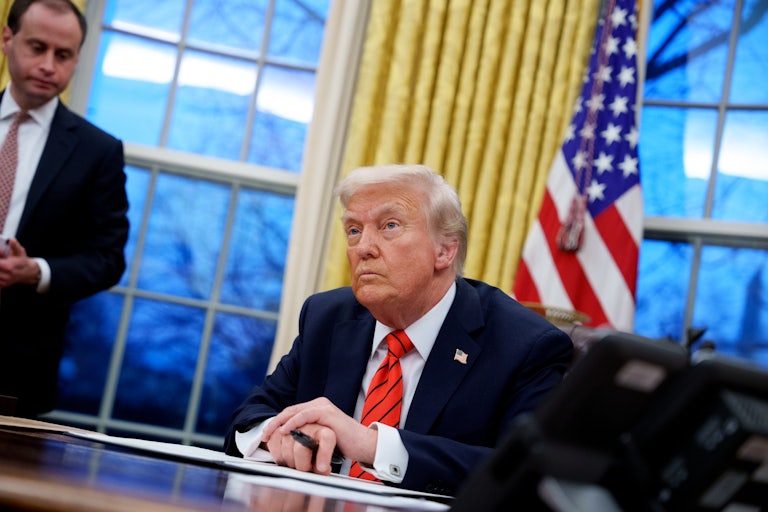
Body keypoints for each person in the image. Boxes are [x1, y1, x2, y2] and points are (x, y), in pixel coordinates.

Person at [224, 164, 573, 495]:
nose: (363, 248)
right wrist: (277, 437)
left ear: (445, 250)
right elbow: (249, 418)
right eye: (353, 230)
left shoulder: (523, 344)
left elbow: (522, 474)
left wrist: (371, 445)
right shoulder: (327, 317)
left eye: (389, 225)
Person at [0, 0, 129, 417]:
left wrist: (35, 270)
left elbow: (107, 260)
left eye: (63, 55)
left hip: (16, 367)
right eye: (37, 48)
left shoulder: (98, 152)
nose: (48, 65)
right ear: (7, 40)